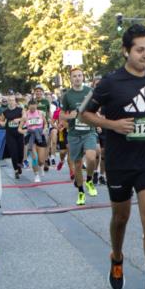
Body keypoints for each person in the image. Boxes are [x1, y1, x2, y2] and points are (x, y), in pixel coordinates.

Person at [82, 25, 145, 289]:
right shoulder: (110, 83)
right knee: (121, 218)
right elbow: (84, 114)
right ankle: (117, 256)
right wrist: (112, 124)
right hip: (120, 161)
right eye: (140, 50)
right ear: (126, 51)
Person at [60, 69, 99, 205]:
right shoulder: (67, 96)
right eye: (74, 76)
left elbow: (97, 109)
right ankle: (81, 192)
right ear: (70, 79)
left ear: (83, 77)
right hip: (74, 134)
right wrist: (68, 116)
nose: (77, 78)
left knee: (91, 157)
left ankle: (89, 180)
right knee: (77, 164)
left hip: (89, 131)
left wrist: (97, 120)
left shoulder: (90, 92)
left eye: (79, 75)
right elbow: (61, 115)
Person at [22, 98, 47, 182]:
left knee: (41, 160)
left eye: (34, 108)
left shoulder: (40, 113)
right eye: (31, 108)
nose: (33, 110)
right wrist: (24, 131)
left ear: (36, 106)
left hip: (40, 135)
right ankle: (36, 175)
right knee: (34, 157)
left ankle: (41, 166)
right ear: (28, 107)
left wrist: (45, 129)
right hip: (31, 136)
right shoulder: (25, 115)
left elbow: (45, 123)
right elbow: (19, 129)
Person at [1, 94, 25, 178]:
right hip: (10, 134)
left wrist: (19, 119)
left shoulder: (20, 110)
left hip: (19, 133)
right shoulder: (5, 112)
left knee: (20, 152)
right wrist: (3, 123)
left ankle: (19, 165)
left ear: (15, 101)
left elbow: (25, 118)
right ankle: (16, 170)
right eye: (9, 100)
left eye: (12, 100)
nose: (11, 102)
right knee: (13, 152)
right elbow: (1, 122)